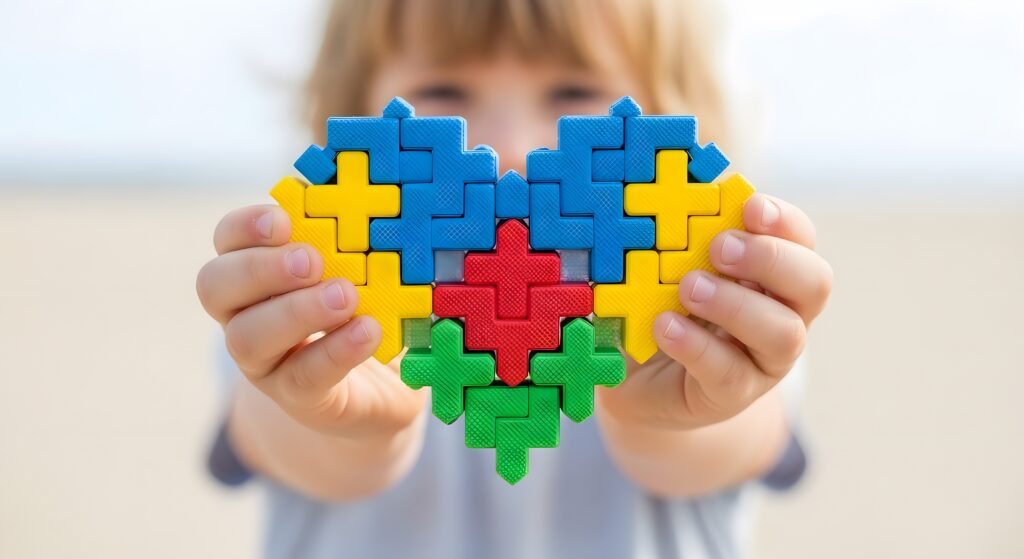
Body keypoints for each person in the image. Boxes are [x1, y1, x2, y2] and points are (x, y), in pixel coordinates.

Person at [195, 0, 834, 556]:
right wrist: (334, 415)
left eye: (574, 95)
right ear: (355, 123)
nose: (510, 148)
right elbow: (284, 437)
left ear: (672, 131)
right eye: (444, 93)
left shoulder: (710, 308)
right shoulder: (314, 303)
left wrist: (672, 415)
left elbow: (731, 440)